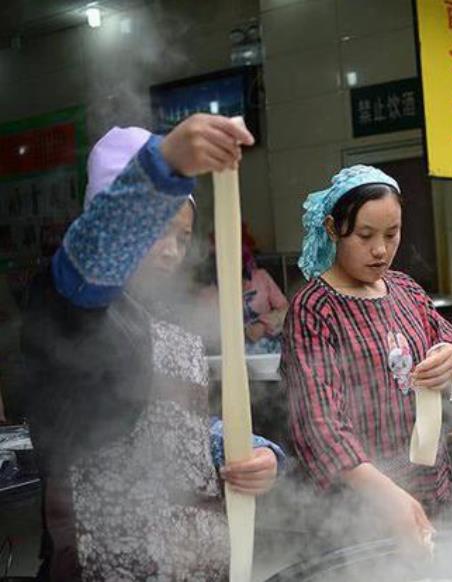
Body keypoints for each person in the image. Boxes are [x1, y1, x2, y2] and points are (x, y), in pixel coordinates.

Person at [20, 115, 284, 580]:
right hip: (101, 564)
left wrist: (250, 451)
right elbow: (94, 256)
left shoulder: (164, 317)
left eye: (182, 237)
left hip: (187, 563)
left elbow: (175, 427)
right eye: (155, 229)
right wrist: (163, 167)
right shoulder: (72, 300)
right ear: (113, 221)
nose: (171, 250)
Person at [282, 165, 452, 549]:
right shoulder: (314, 308)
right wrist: (384, 493)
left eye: (392, 235)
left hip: (430, 489)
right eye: (365, 235)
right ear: (330, 228)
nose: (381, 249)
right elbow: (317, 420)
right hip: (361, 506)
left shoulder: (405, 290)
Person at [242, 241, 288, 354]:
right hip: (238, 351)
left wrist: (264, 325)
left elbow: (285, 309)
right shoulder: (217, 286)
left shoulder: (261, 277)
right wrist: (244, 331)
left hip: (269, 347)